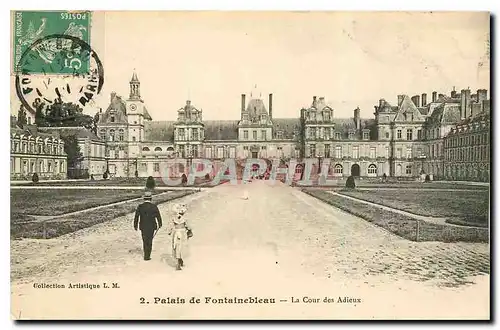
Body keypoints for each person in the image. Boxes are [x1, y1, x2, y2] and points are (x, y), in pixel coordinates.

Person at [134, 191, 162, 261]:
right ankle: (148, 255)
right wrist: (160, 223)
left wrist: (135, 225)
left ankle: (146, 255)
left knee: (144, 240)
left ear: (144, 198)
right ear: (151, 199)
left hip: (143, 226)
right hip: (152, 226)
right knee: (150, 240)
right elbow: (158, 216)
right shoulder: (154, 206)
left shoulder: (140, 206)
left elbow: (136, 216)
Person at [168, 203, 191, 270]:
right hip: (183, 233)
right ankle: (179, 260)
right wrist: (189, 230)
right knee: (182, 246)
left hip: (176, 232)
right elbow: (188, 226)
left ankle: (178, 260)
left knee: (176, 246)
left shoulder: (174, 218)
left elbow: (171, 226)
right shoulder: (185, 218)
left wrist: (169, 231)